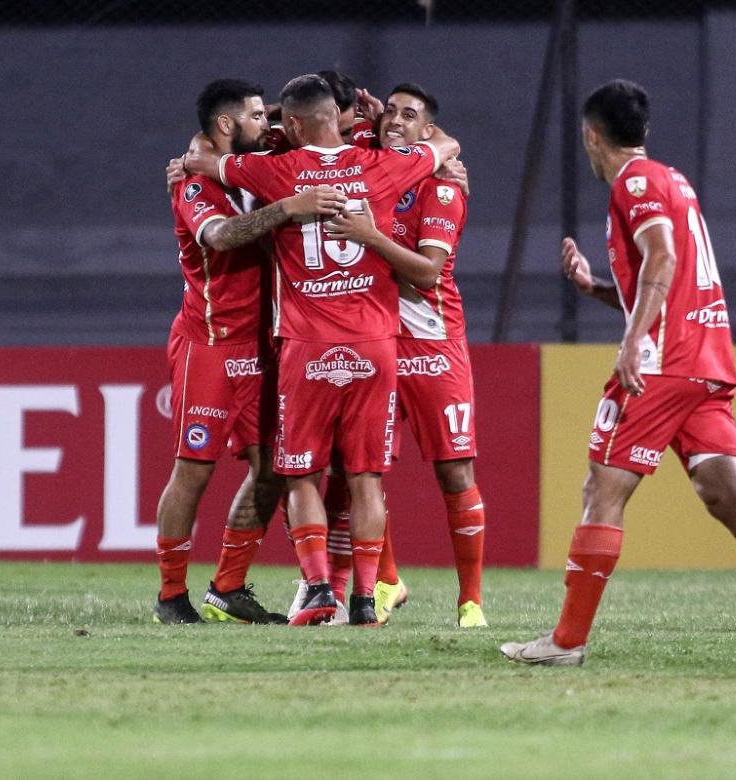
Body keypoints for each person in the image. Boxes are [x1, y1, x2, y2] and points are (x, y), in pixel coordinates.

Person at [500, 79, 736, 666]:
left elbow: (663, 257)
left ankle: (566, 642)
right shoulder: (671, 180)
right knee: (728, 495)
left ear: (591, 136)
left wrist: (632, 343)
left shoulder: (634, 183)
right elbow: (667, 283)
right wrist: (598, 289)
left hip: (663, 364)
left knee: (601, 488)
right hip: (704, 363)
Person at [184, 74, 459, 627]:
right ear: (337, 116)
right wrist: (395, 132)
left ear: (293, 124)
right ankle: (363, 596)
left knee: (302, 475)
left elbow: (206, 162)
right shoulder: (381, 164)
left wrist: (189, 161)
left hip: (305, 347)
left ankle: (315, 590)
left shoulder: (274, 171)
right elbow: (445, 147)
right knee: (366, 479)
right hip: (375, 343)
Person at [155, 78, 346, 624]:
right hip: (210, 344)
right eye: (260, 116)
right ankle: (170, 596)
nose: (272, 125)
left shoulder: (256, 163)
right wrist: (288, 207)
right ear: (225, 125)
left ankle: (228, 588)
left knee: (274, 469)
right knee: (194, 468)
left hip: (263, 348)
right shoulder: (194, 183)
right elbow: (219, 237)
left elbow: (327, 134)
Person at [322, 83, 487, 628]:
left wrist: (369, 237)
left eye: (408, 115)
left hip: (434, 346)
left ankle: (471, 602)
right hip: (376, 343)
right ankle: (387, 582)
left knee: (454, 474)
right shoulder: (370, 162)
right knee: (357, 467)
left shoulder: (440, 188)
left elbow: (427, 272)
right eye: (388, 111)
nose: (394, 120)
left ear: (428, 132)